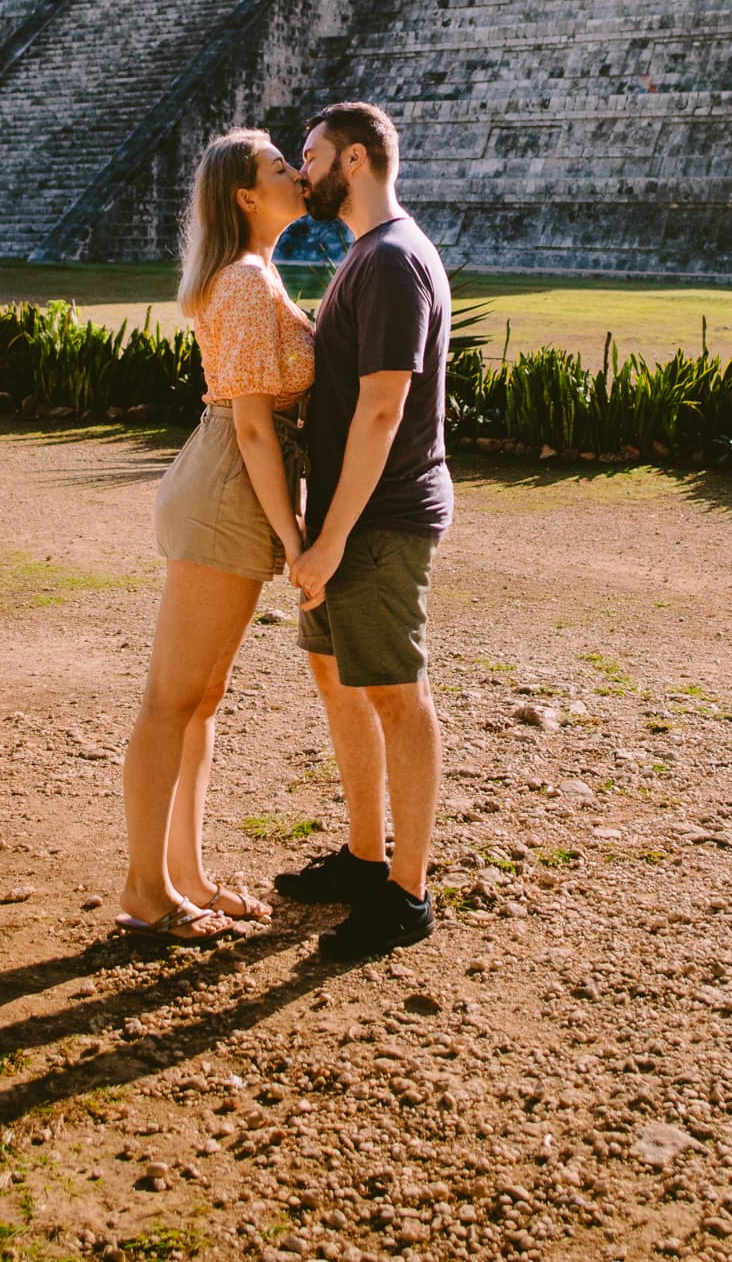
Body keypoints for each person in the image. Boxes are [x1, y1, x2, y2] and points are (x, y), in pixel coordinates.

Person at [118, 130, 313, 945]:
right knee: (172, 699)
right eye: (279, 169)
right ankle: (145, 890)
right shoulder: (242, 280)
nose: (299, 176)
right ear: (244, 196)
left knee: (201, 699)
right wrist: (296, 537)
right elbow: (254, 426)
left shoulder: (255, 275)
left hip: (231, 484)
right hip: (230, 483)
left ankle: (185, 876)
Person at [279, 101, 452, 960]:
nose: (298, 173)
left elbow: (383, 410)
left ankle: (406, 893)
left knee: (393, 694)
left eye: (307, 157)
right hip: (345, 516)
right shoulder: (365, 256)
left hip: (375, 520)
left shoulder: (389, 261)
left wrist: (333, 535)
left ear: (352, 159)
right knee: (340, 684)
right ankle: (361, 856)